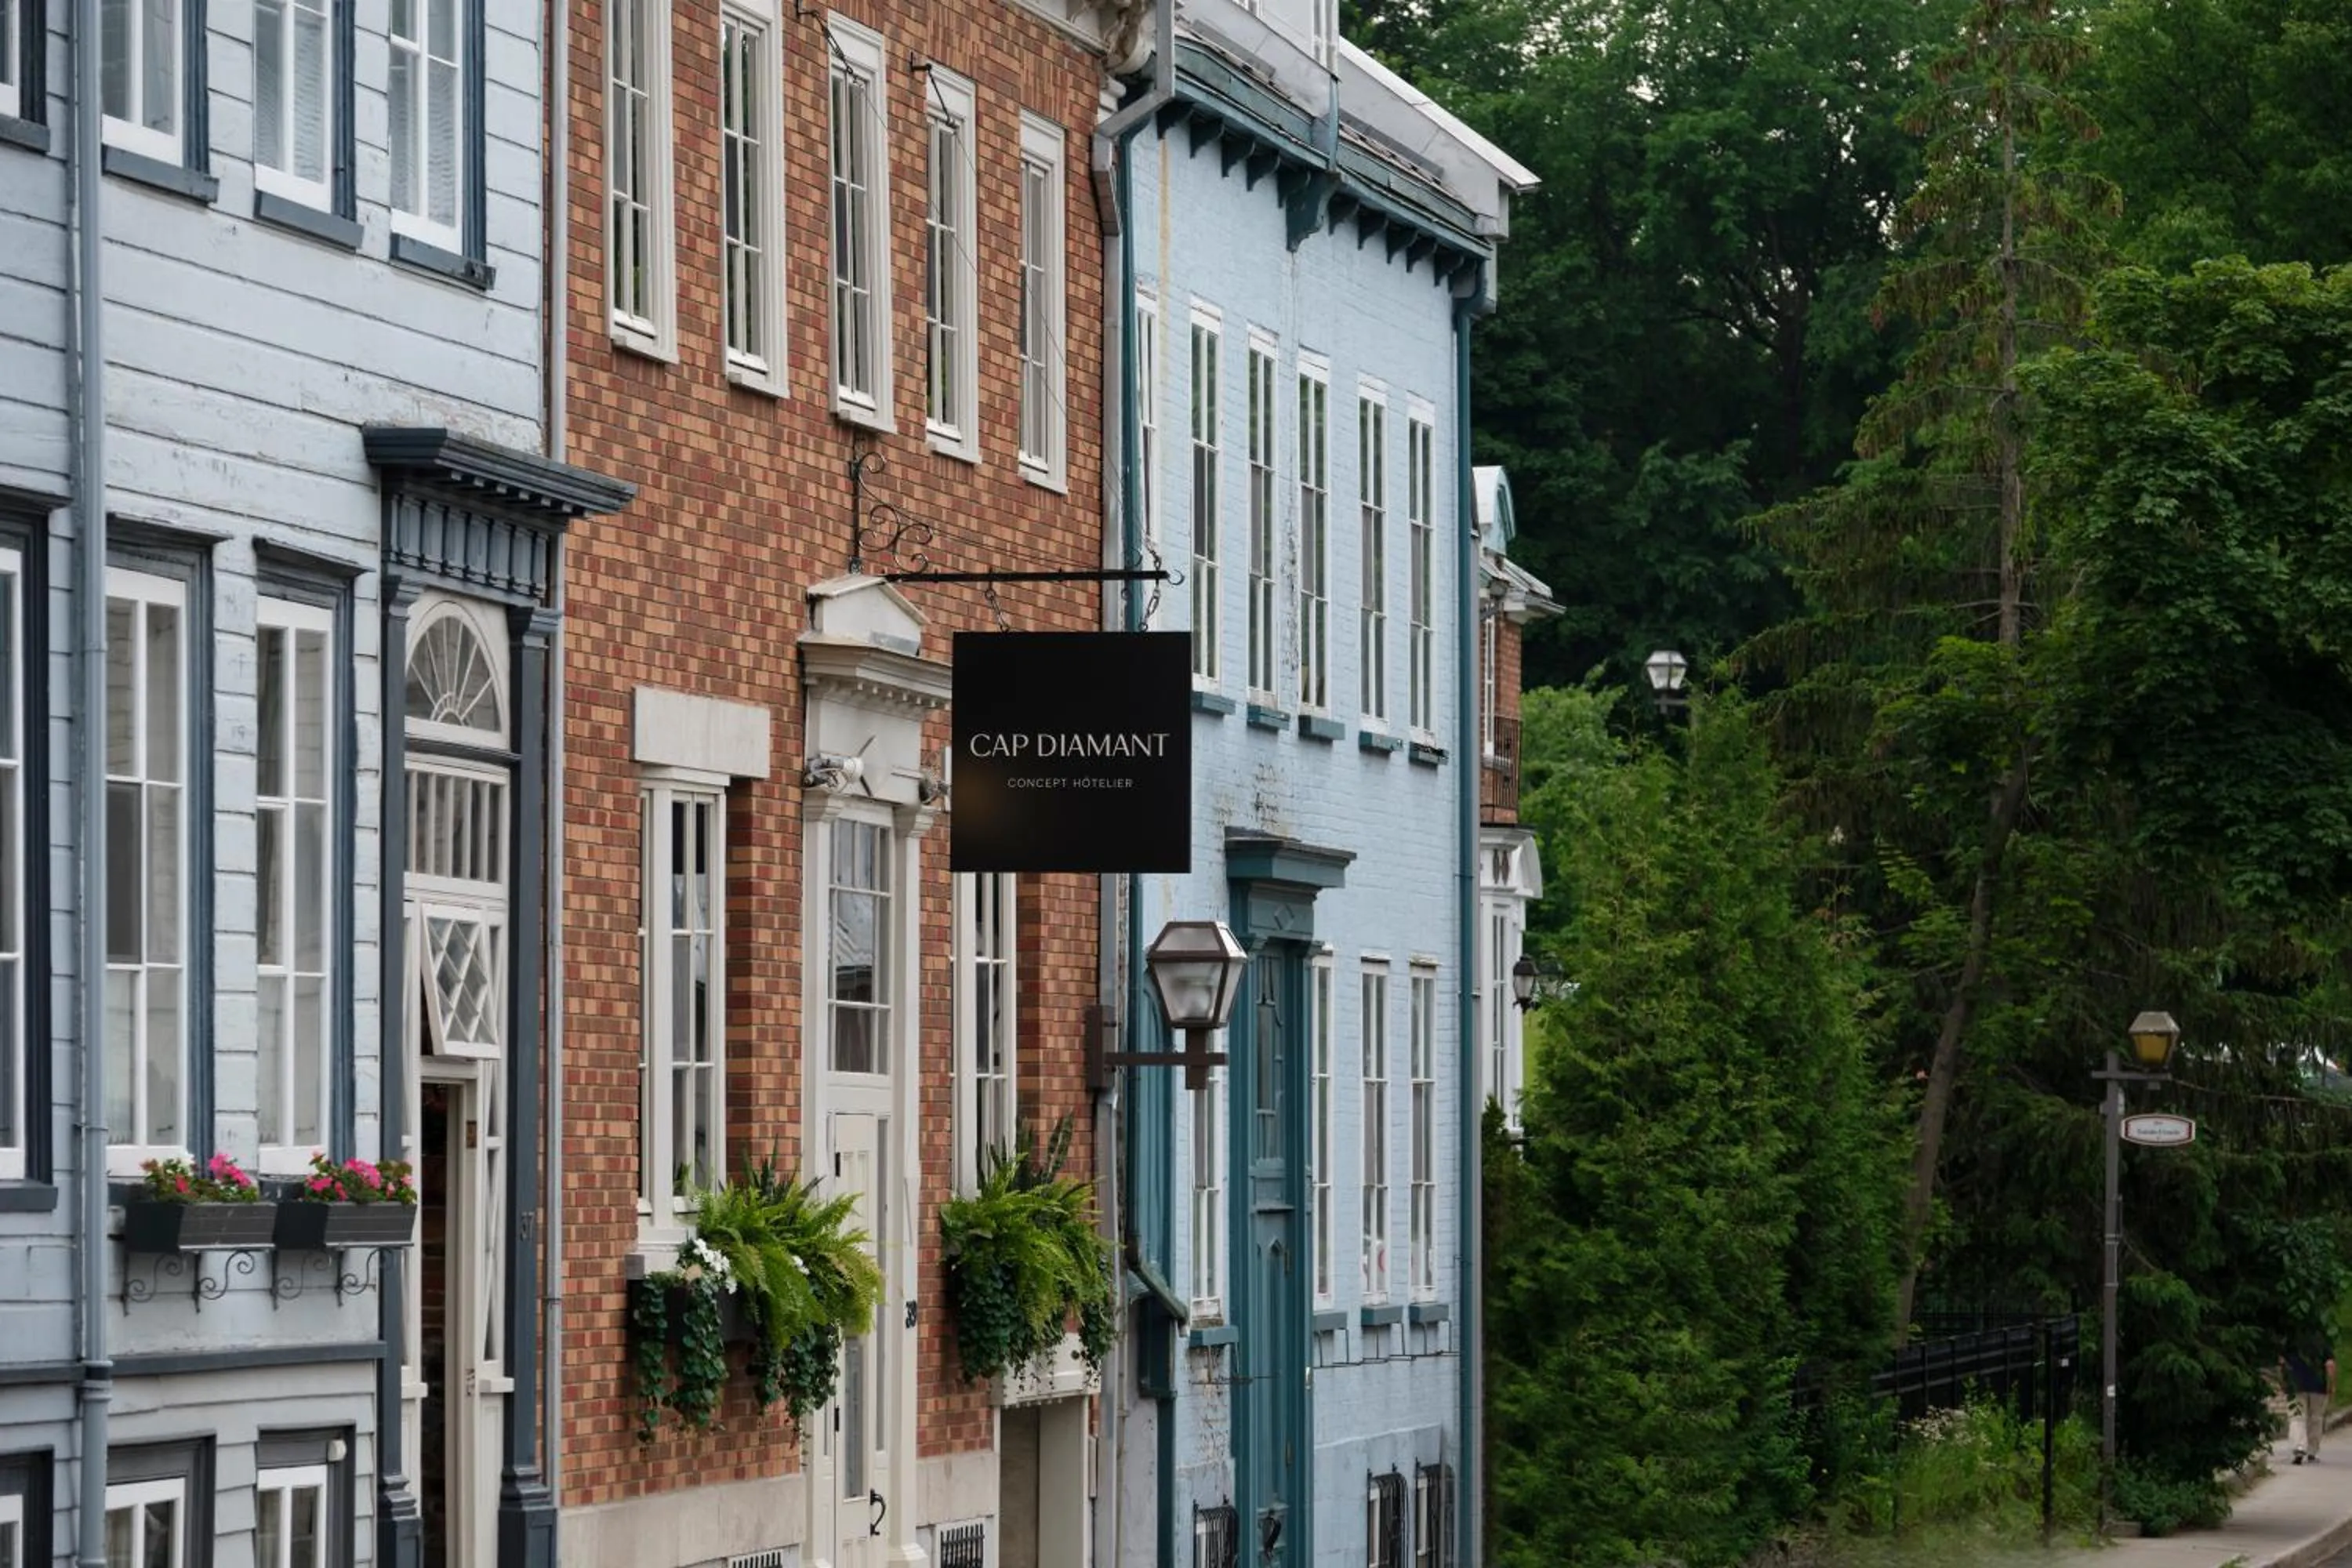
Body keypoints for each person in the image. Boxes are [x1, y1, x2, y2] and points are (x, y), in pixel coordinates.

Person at [2282, 1330, 2337, 1464]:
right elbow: (2330, 1365)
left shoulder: (2292, 1339)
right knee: (2316, 1419)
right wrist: (2332, 1385)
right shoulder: (2323, 1341)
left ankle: (2299, 1448)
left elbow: (2283, 1362)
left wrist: (2284, 1381)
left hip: (2296, 1385)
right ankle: (2312, 1451)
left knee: (2297, 1417)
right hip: (2318, 1386)